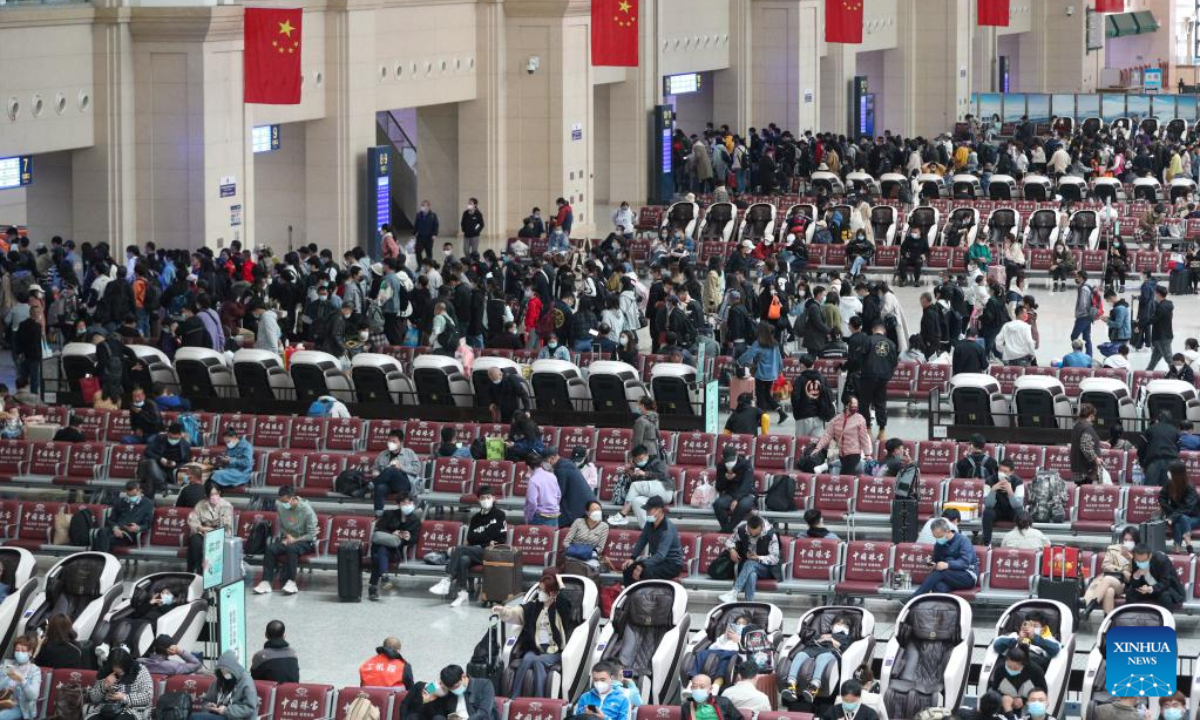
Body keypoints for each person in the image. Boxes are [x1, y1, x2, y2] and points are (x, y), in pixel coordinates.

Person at [490, 570, 574, 698]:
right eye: (538, 590)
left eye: (542, 591)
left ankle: (540, 698)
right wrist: (503, 610)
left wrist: (560, 585)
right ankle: (514, 697)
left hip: (554, 651)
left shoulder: (561, 608)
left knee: (538, 661)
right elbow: (516, 612)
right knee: (527, 659)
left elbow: (564, 601)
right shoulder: (534, 606)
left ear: (552, 593)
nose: (539, 594)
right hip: (535, 649)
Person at [429, 487, 508, 608]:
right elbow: (471, 537)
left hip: (492, 552)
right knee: (463, 559)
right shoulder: (475, 518)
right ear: (478, 500)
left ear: (493, 498)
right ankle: (463, 593)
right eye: (482, 498)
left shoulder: (499, 515)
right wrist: (485, 538)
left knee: (460, 549)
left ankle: (447, 579)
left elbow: (500, 537)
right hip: (476, 550)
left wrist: (481, 538)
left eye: (488, 497)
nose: (485, 500)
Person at [254, 486, 318, 596]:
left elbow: (312, 534)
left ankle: (291, 582)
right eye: (281, 501)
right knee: (270, 548)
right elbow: (282, 527)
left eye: (285, 502)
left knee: (291, 548)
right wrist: (288, 536)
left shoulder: (307, 510)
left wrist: (294, 540)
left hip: (306, 541)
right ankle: (266, 582)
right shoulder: (281, 507)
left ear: (293, 499)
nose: (283, 504)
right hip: (289, 539)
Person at [781, 612, 855, 705]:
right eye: (839, 624)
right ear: (832, 626)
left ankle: (814, 687)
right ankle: (791, 685)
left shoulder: (847, 638)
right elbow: (810, 642)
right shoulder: (823, 634)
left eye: (845, 625)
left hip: (831, 651)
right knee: (800, 654)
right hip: (814, 649)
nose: (841, 627)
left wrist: (831, 640)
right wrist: (820, 639)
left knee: (822, 657)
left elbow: (844, 648)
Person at [369, 494, 420, 601]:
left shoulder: (415, 520)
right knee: (381, 550)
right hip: (382, 545)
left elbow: (415, 538)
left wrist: (409, 537)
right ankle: (383, 578)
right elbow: (378, 530)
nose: (407, 505)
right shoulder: (389, 514)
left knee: (379, 555)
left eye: (410, 503)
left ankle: (375, 585)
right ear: (398, 504)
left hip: (397, 550)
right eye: (404, 503)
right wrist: (393, 532)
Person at [719, 515, 782, 604]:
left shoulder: (771, 535)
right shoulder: (741, 530)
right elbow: (729, 541)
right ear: (747, 527)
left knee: (750, 563)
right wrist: (732, 549)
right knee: (752, 575)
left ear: (762, 528)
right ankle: (749, 604)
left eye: (755, 534)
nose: (752, 535)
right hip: (748, 568)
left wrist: (758, 558)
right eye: (750, 533)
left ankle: (734, 592)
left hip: (767, 569)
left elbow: (775, 558)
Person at [608, 445, 673, 527]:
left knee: (635, 485)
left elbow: (663, 476)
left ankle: (622, 514)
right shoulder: (636, 466)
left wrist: (645, 474)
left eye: (641, 459)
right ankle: (646, 528)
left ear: (647, 455)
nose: (639, 461)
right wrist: (630, 473)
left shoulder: (658, 463)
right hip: (652, 495)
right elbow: (642, 487)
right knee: (636, 501)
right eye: (637, 460)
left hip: (665, 490)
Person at [622, 496, 683, 584]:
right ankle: (630, 595)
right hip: (657, 561)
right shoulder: (649, 523)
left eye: (649, 510)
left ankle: (647, 596)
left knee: (647, 572)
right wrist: (632, 558)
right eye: (646, 510)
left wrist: (642, 565)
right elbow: (642, 540)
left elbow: (661, 555)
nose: (647, 513)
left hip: (672, 564)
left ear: (659, 510)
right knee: (628, 568)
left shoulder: (667, 528)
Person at [1083, 526, 1140, 619]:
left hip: (1124, 584)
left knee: (1107, 579)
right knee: (1109, 591)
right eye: (1126, 539)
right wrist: (1120, 570)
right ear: (1122, 540)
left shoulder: (1139, 553)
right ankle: (1108, 624)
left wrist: (1129, 558)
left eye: (1131, 540)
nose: (1128, 542)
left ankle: (1089, 608)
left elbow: (1137, 574)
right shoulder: (1113, 549)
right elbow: (1105, 566)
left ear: (1136, 541)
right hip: (1108, 580)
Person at [912, 517, 978, 596]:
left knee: (939, 573)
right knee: (939, 588)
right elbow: (936, 561)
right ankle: (937, 608)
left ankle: (912, 598)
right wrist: (932, 565)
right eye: (935, 537)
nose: (938, 539)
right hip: (949, 577)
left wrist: (947, 565)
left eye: (939, 536)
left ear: (947, 531)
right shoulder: (939, 544)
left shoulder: (963, 541)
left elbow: (965, 563)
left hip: (967, 575)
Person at [86, 647, 153, 720]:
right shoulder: (105, 672)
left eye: (121, 667)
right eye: (115, 666)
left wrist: (124, 697)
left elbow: (147, 696)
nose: (119, 669)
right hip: (106, 709)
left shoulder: (139, 671)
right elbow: (94, 699)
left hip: (131, 710)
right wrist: (104, 685)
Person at [857, 319, 898, 441]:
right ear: (884, 330)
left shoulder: (868, 340)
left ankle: (868, 429)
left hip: (868, 376)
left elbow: (860, 357)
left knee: (865, 403)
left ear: (873, 329)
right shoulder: (891, 344)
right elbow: (894, 362)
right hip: (883, 378)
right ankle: (882, 430)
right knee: (880, 404)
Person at [738, 324, 786, 425]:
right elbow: (779, 358)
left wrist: (739, 362)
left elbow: (748, 355)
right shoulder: (775, 344)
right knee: (767, 395)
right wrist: (780, 369)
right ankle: (781, 412)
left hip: (761, 373)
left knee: (760, 397)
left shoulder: (758, 343)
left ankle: (762, 420)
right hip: (772, 374)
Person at [414, 665, 498, 720]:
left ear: (463, 676)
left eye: (456, 686)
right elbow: (429, 688)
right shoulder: (446, 688)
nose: (454, 690)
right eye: (451, 688)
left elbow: (483, 712)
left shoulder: (485, 684)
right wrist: (427, 700)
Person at [191, 651, 258, 720]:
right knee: (194, 717)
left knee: (196, 718)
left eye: (226, 670)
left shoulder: (246, 680)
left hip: (236, 717)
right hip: (219, 715)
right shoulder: (220, 680)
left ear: (233, 669)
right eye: (221, 671)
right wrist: (210, 706)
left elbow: (250, 708)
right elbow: (206, 701)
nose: (224, 673)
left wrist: (226, 710)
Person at [813, 396, 872, 476]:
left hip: (854, 454)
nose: (855, 406)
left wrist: (867, 454)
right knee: (841, 476)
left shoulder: (860, 419)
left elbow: (864, 438)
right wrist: (818, 448)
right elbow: (827, 435)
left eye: (856, 404)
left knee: (846, 477)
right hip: (841, 455)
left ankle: (824, 467)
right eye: (853, 404)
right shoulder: (836, 419)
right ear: (847, 405)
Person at [371, 428, 422, 516]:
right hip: (389, 485)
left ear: (400, 443)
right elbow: (375, 468)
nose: (390, 443)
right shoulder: (383, 454)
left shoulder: (409, 453)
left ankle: (369, 486)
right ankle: (378, 515)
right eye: (389, 441)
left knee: (391, 469)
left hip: (404, 484)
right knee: (380, 487)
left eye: (394, 441)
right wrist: (375, 472)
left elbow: (417, 469)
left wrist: (402, 467)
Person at [991, 611, 1060, 675]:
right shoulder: (1014, 636)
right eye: (1028, 625)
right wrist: (1017, 640)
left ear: (1043, 629)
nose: (1030, 629)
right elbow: (997, 645)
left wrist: (1035, 638)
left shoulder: (1046, 639)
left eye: (1035, 626)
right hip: (1010, 669)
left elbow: (1055, 649)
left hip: (1034, 671)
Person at [186, 484, 233, 575]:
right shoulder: (201, 505)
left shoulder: (226, 506)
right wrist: (202, 528)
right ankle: (195, 570)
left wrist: (211, 530)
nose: (214, 496)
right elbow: (192, 522)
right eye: (211, 494)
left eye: (216, 493)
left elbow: (227, 526)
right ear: (207, 495)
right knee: (195, 540)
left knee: (211, 543)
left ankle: (206, 573)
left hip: (220, 535)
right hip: (203, 533)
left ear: (219, 493)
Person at [985, 647, 1046, 715]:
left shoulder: (1036, 671)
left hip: (1028, 704)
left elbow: (1042, 690)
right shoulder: (1000, 669)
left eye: (1015, 668)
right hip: (1005, 703)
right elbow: (994, 688)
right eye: (1009, 666)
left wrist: (1024, 700)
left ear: (1023, 665)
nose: (1012, 670)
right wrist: (1004, 698)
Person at [138, 422, 191, 499]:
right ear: (167, 434)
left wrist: (175, 464)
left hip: (169, 472)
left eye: (176, 438)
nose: (173, 440)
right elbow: (147, 451)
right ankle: (162, 487)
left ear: (180, 435)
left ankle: (150, 501)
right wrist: (160, 459)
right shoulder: (159, 439)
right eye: (171, 438)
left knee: (151, 477)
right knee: (151, 463)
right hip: (157, 467)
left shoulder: (185, 445)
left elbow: (186, 462)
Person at [98, 480, 153, 551]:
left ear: (140, 491)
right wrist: (115, 528)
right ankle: (104, 557)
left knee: (101, 540)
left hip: (128, 535)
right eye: (129, 495)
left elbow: (147, 525)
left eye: (134, 495)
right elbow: (111, 520)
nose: (131, 497)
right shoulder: (121, 501)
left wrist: (138, 528)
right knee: (102, 531)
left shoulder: (147, 504)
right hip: (116, 530)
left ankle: (101, 558)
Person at [1126, 542, 1185, 608]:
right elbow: (1134, 584)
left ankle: (1166, 618)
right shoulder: (1135, 560)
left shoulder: (1162, 560)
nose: (1140, 563)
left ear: (1150, 556)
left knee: (1165, 597)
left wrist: (1150, 589)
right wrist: (1136, 575)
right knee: (1130, 593)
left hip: (1163, 589)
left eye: (1143, 561)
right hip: (1145, 589)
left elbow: (1166, 582)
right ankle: (1132, 616)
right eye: (1138, 561)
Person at [1160, 460, 1200, 553]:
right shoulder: (1169, 484)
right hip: (1178, 516)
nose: (1168, 473)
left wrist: (1173, 517)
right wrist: (1171, 513)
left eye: (1170, 471)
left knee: (1182, 518)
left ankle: (1177, 547)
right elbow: (1162, 498)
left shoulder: (1190, 487)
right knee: (1180, 520)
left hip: (1195, 517)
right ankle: (1187, 541)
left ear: (1176, 473)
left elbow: (1187, 508)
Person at [713, 446, 755, 533]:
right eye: (728, 460)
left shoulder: (745, 464)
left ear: (737, 455)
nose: (730, 462)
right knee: (718, 504)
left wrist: (736, 499)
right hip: (730, 494)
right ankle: (727, 528)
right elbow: (719, 488)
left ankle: (727, 529)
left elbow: (747, 484)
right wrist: (726, 479)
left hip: (746, 494)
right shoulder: (721, 465)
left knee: (743, 505)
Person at [982, 459, 1023, 546]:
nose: (1002, 473)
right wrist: (993, 490)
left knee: (1020, 512)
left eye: (1005, 471)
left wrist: (1010, 492)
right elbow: (988, 505)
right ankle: (987, 543)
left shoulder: (1018, 482)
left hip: (1011, 510)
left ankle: (1021, 542)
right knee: (987, 512)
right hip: (996, 510)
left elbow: (1018, 505)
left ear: (1011, 472)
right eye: (1000, 471)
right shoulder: (990, 480)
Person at [791, 354, 834, 438]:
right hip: (819, 417)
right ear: (813, 365)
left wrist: (797, 413)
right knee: (816, 446)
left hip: (803, 417)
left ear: (802, 365)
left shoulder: (799, 380)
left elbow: (795, 399)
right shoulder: (822, 378)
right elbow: (830, 397)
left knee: (801, 445)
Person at [0, 635, 39, 720]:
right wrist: (7, 677)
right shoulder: (8, 665)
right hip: (3, 702)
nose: (19, 653)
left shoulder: (34, 670)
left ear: (30, 652)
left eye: (23, 650)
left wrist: (21, 680)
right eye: (17, 650)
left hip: (21, 707)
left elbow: (33, 696)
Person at [524, 451, 562, 527]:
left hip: (540, 516)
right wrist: (553, 507)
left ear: (528, 467)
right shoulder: (552, 476)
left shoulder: (533, 480)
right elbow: (558, 495)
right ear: (541, 464)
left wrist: (529, 516)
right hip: (555, 515)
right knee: (552, 538)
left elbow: (532, 502)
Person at [1143, 411, 1181, 487]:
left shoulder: (1151, 429)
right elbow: (1178, 447)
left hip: (1154, 461)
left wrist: (1142, 462)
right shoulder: (1175, 431)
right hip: (1171, 461)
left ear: (1159, 419)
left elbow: (1142, 447)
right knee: (1168, 489)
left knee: (1148, 489)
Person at [1069, 403, 1103, 484]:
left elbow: (1083, 441)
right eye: (1094, 415)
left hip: (1078, 468)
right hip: (1085, 470)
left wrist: (1101, 442)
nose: (1094, 418)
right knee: (1084, 492)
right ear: (1090, 415)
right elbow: (1085, 446)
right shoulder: (1086, 428)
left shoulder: (1077, 426)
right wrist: (1096, 458)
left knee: (1080, 492)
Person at [137, 635, 203, 677]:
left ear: (154, 648)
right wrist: (179, 651)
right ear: (171, 649)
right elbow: (196, 664)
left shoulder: (139, 662)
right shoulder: (173, 666)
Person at [1147, 286, 1175, 371]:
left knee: (1169, 359)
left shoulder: (1161, 307)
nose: (1154, 295)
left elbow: (1153, 320)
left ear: (1158, 294)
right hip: (1163, 336)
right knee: (1154, 359)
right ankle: (1147, 373)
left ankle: (1177, 376)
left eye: (1155, 293)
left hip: (1162, 337)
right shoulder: (1168, 304)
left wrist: (1140, 325)